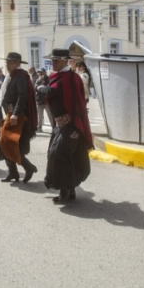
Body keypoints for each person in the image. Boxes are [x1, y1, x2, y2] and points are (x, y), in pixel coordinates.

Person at [43, 49, 93, 202]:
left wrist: (75, 128)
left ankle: (65, 192)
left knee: (60, 157)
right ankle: (70, 190)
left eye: (57, 60)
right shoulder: (58, 77)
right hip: (59, 126)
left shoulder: (71, 78)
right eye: (53, 60)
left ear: (65, 61)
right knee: (61, 157)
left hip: (70, 126)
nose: (54, 63)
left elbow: (77, 104)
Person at [0, 52, 38, 183]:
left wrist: (15, 114)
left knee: (9, 143)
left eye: (11, 62)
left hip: (18, 116)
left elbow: (22, 96)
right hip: (10, 114)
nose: (7, 65)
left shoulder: (20, 76)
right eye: (7, 62)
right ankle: (13, 173)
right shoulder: (11, 76)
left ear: (17, 63)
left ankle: (28, 167)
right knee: (4, 144)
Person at [35, 68, 53, 133]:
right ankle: (39, 128)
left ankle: (53, 128)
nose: (40, 74)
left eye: (41, 72)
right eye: (39, 73)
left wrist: (43, 84)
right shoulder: (38, 80)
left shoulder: (48, 80)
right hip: (39, 101)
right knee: (39, 116)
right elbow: (36, 89)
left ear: (44, 73)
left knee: (50, 115)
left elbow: (48, 89)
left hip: (46, 101)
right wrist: (40, 83)